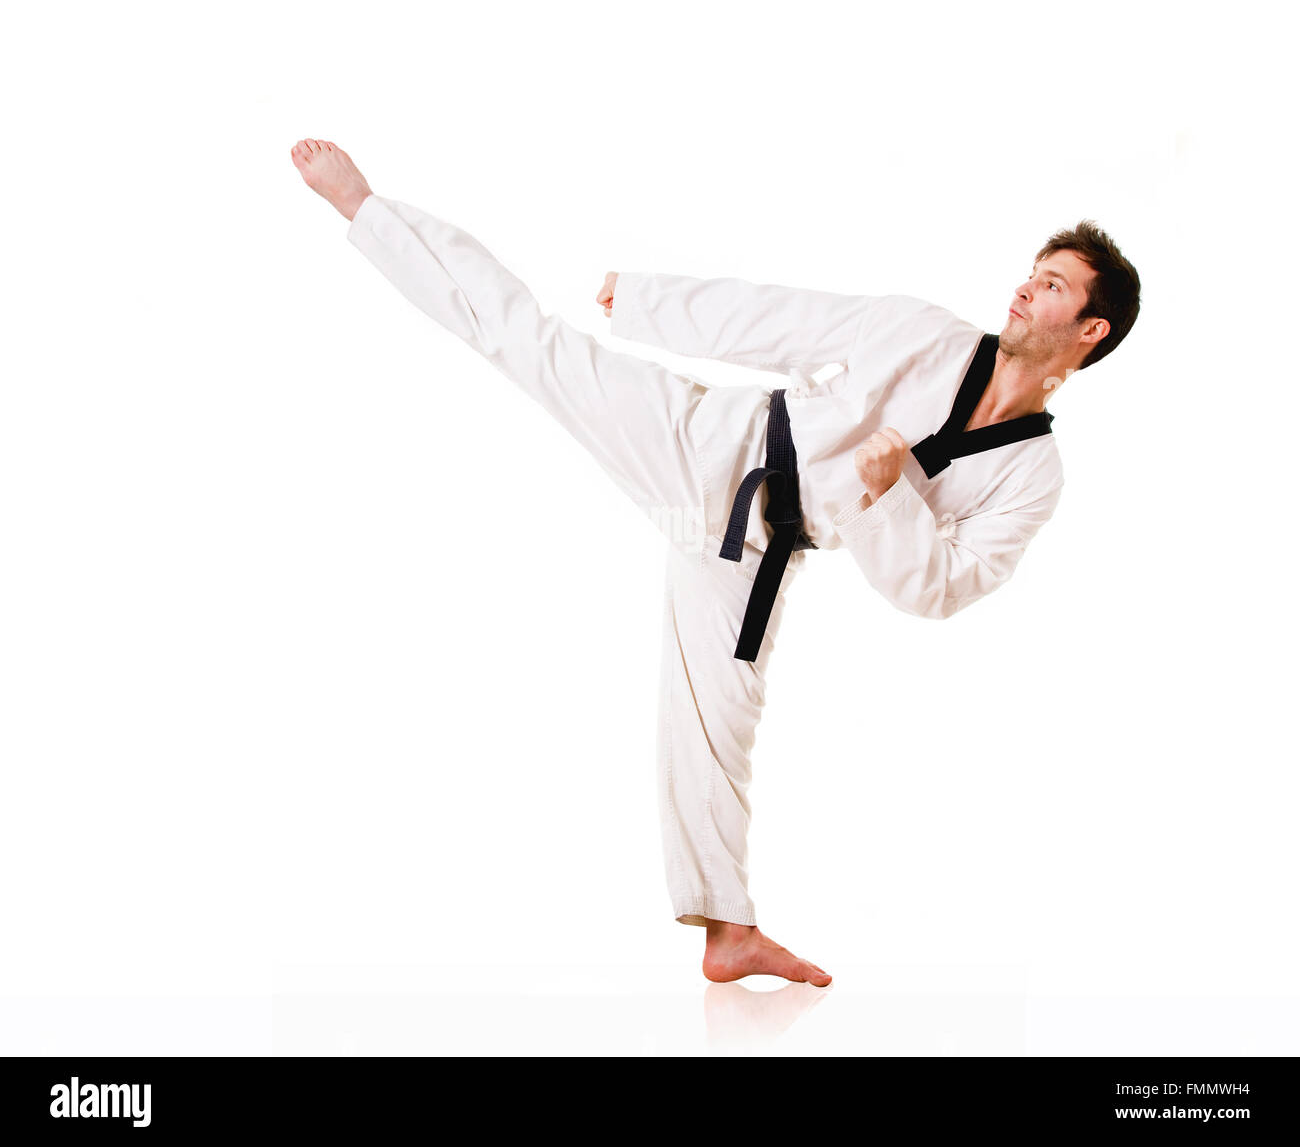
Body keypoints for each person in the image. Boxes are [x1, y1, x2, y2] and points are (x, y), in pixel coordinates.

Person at [290, 138, 1141, 988]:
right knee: (529, 342)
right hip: (704, 446)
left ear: (1090, 329)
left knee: (716, 725)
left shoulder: (1032, 475)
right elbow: (792, 321)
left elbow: (942, 590)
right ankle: (367, 209)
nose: (1027, 288)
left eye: (1054, 285)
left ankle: (728, 933)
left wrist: (889, 497)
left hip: (758, 550)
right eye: (1034, 272)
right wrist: (654, 305)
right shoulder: (926, 334)